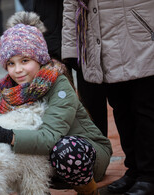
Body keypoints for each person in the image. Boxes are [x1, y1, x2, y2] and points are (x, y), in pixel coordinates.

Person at [0, 11, 112, 195]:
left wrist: (7, 135)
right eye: (11, 64)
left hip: (83, 157)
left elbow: (50, 138)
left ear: (39, 58)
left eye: (25, 60)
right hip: (42, 164)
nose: (18, 70)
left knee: (65, 150)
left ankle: (89, 191)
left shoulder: (58, 83)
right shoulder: (6, 93)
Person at [62, 0, 154, 194]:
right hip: (100, 39)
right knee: (121, 108)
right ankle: (135, 169)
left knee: (145, 108)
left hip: (139, 34)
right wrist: (71, 49)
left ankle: (149, 173)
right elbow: (71, 4)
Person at [61, 0, 108, 137]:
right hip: (84, 46)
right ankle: (97, 152)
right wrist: (69, 52)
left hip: (116, 42)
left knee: (124, 106)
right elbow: (70, 7)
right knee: (89, 106)